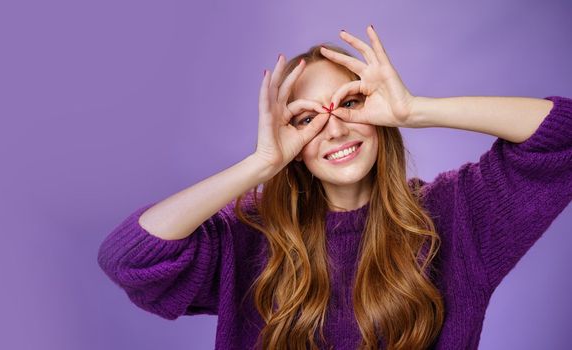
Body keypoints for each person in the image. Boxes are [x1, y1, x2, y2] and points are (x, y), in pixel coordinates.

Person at [97, 24, 572, 350]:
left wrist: (416, 110)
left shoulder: (457, 213)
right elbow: (130, 258)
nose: (335, 129)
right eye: (307, 119)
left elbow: (564, 133)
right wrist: (260, 164)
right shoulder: (249, 233)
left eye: (350, 104)